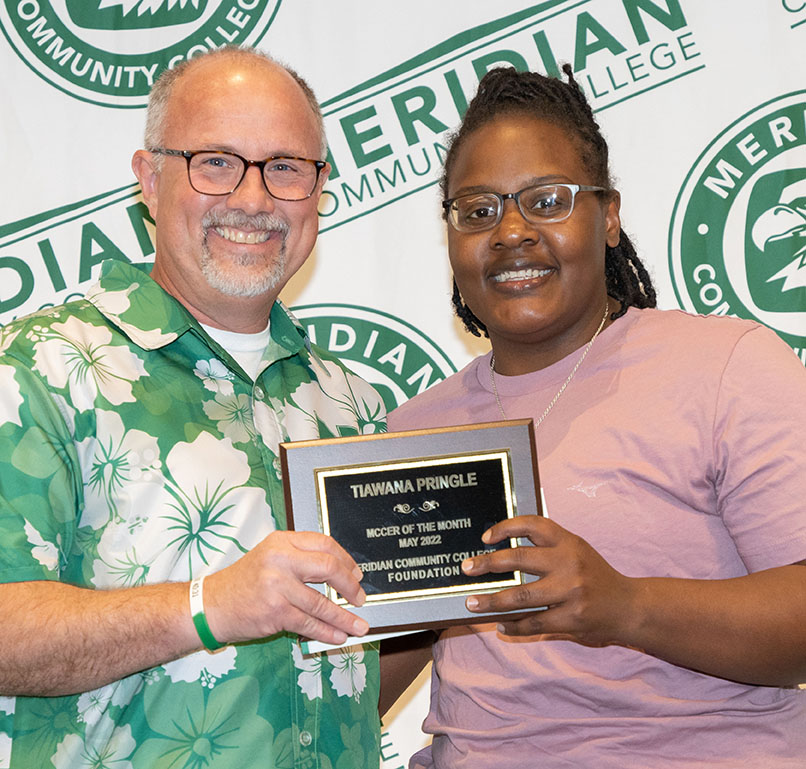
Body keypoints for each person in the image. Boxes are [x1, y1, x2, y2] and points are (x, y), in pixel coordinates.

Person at [382, 66, 806, 768]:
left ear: (608, 215)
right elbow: (357, 682)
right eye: (479, 210)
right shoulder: (416, 434)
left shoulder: (726, 365)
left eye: (546, 201)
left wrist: (625, 605)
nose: (511, 232)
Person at [0, 47, 386, 768]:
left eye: (285, 167)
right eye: (215, 161)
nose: (253, 199)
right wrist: (207, 606)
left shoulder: (350, 403)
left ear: (319, 188)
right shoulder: (40, 371)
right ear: (149, 180)